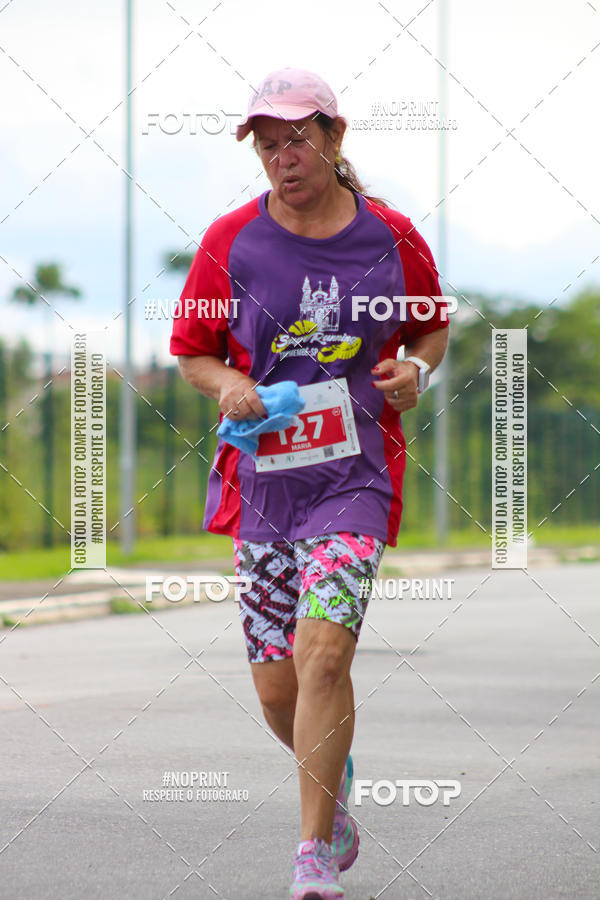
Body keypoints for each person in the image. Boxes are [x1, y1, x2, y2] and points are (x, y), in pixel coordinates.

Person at [170, 67, 449, 900]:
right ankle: (333, 786)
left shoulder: (392, 239)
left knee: (324, 652)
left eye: (296, 138)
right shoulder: (231, 241)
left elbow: (430, 328)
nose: (281, 157)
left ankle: (311, 853)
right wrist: (227, 384)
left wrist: (414, 374)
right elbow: (193, 349)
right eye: (266, 144)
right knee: (277, 685)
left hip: (355, 477)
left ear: (334, 136)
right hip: (263, 483)